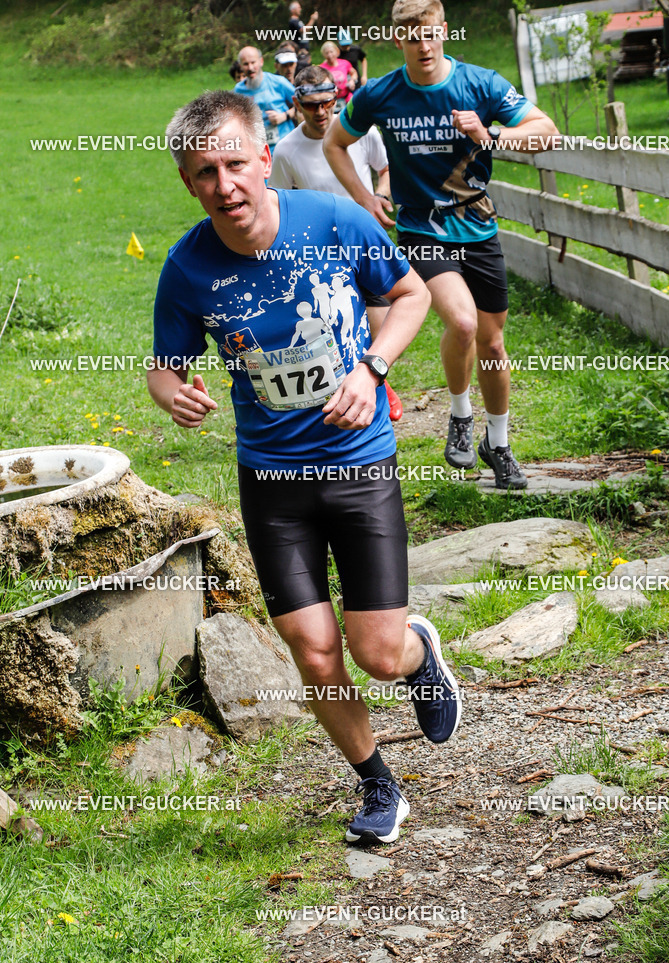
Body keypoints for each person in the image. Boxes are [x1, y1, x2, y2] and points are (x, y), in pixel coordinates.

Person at [147, 89, 462, 845]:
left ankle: (418, 653)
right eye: (202, 174)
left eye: (233, 164)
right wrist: (172, 394)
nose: (223, 185)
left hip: (358, 466)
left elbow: (411, 294)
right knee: (312, 646)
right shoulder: (188, 267)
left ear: (264, 156)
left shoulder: (334, 221)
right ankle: (378, 785)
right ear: (188, 184)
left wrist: (374, 368)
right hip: (272, 481)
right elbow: (164, 365)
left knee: (376, 654)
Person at [324, 0, 561, 489]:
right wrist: (365, 197)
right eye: (412, 37)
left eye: (430, 34)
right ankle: (459, 415)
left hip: (478, 227)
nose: (423, 45)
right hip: (421, 230)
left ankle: (498, 443)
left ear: (445, 31)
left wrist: (490, 133)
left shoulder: (480, 84)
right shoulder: (380, 94)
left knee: (493, 344)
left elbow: (546, 134)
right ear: (399, 41)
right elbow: (334, 143)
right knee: (463, 321)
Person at [269, 65, 403, 420]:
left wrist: (378, 196)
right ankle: (351, 391)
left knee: (382, 322)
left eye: (327, 102)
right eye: (311, 105)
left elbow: (386, 168)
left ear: (336, 99)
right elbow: (278, 201)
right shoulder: (286, 150)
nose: (320, 111)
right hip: (319, 252)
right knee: (333, 327)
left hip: (366, 238)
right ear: (297, 103)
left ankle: (378, 380)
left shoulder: (361, 133)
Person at [235, 46, 296, 151]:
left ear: (261, 61)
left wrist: (284, 116)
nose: (250, 68)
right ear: (241, 66)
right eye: (246, 64)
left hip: (286, 145)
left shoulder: (278, 82)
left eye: (253, 62)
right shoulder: (238, 91)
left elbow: (303, 104)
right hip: (259, 151)